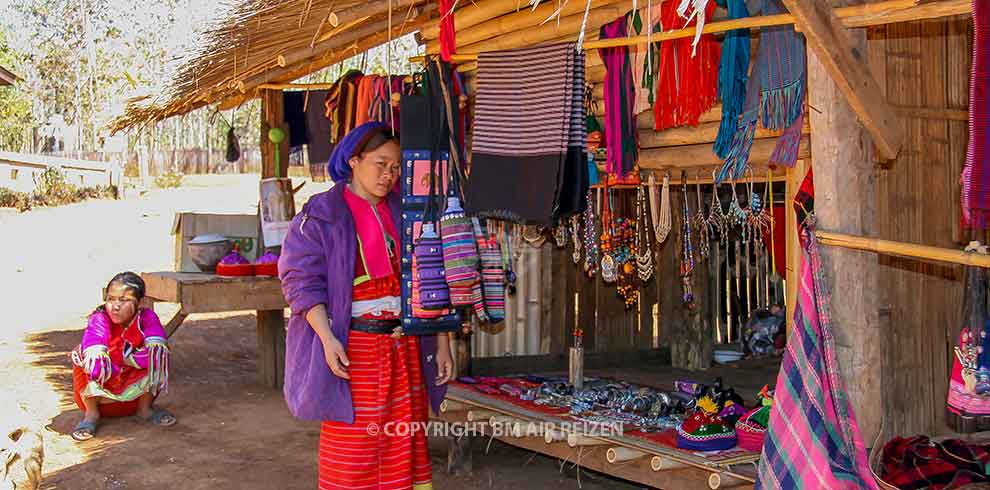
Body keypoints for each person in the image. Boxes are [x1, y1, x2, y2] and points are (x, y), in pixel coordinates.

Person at [279, 121, 454, 490]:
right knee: (355, 443)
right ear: (354, 160)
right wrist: (327, 339)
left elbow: (430, 279)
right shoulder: (321, 215)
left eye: (395, 167)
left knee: (403, 436)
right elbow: (301, 284)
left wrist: (441, 342)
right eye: (380, 163)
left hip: (403, 347)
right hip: (352, 347)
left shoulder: (409, 212)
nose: (389, 175)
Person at [70, 272, 175, 441]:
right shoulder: (99, 319)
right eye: (111, 299)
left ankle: (145, 409)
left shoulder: (147, 318)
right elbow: (95, 359)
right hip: (103, 400)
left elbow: (155, 352)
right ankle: (91, 415)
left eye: (124, 300)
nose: (115, 306)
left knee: (159, 352)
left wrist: (124, 360)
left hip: (133, 400)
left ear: (140, 302)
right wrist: (122, 363)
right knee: (84, 355)